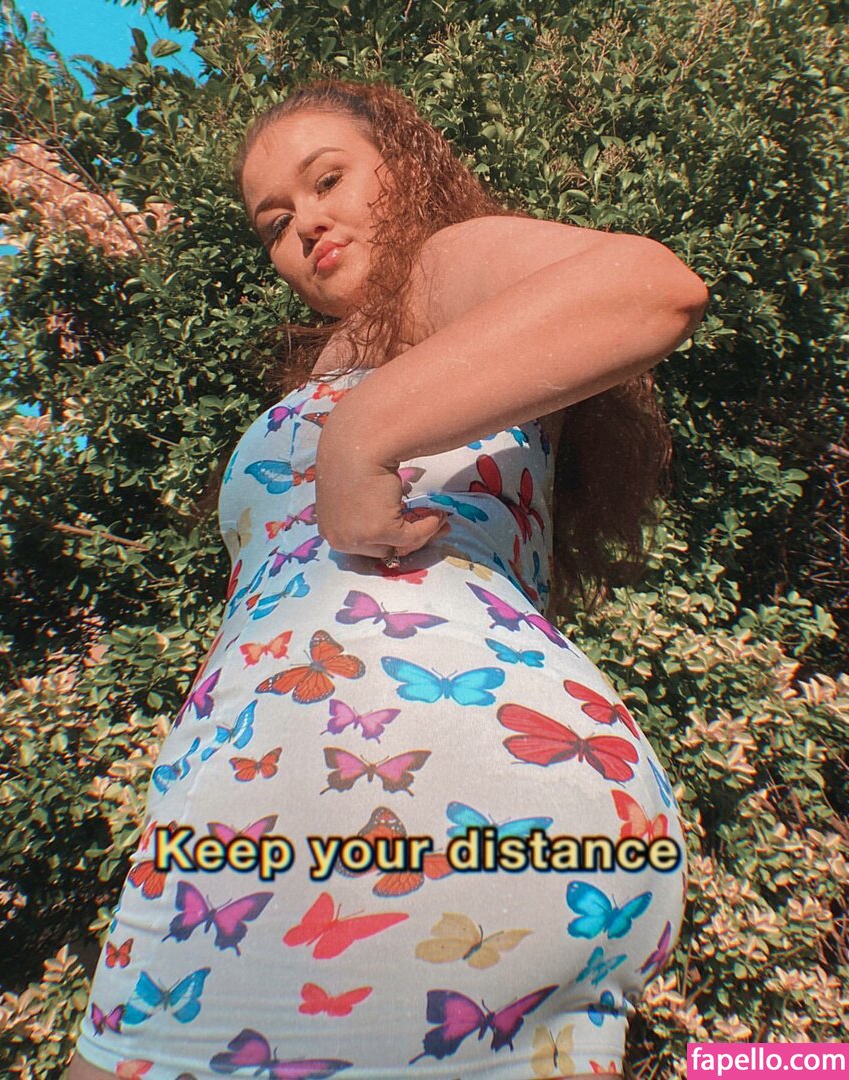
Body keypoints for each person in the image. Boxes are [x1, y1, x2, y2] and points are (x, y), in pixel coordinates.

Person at [68, 78, 707, 1080]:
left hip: (429, 796)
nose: (305, 224)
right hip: (247, 817)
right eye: (274, 222)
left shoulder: (441, 271)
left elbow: (649, 287)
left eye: (328, 180)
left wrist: (359, 436)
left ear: (403, 170)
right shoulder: (333, 360)